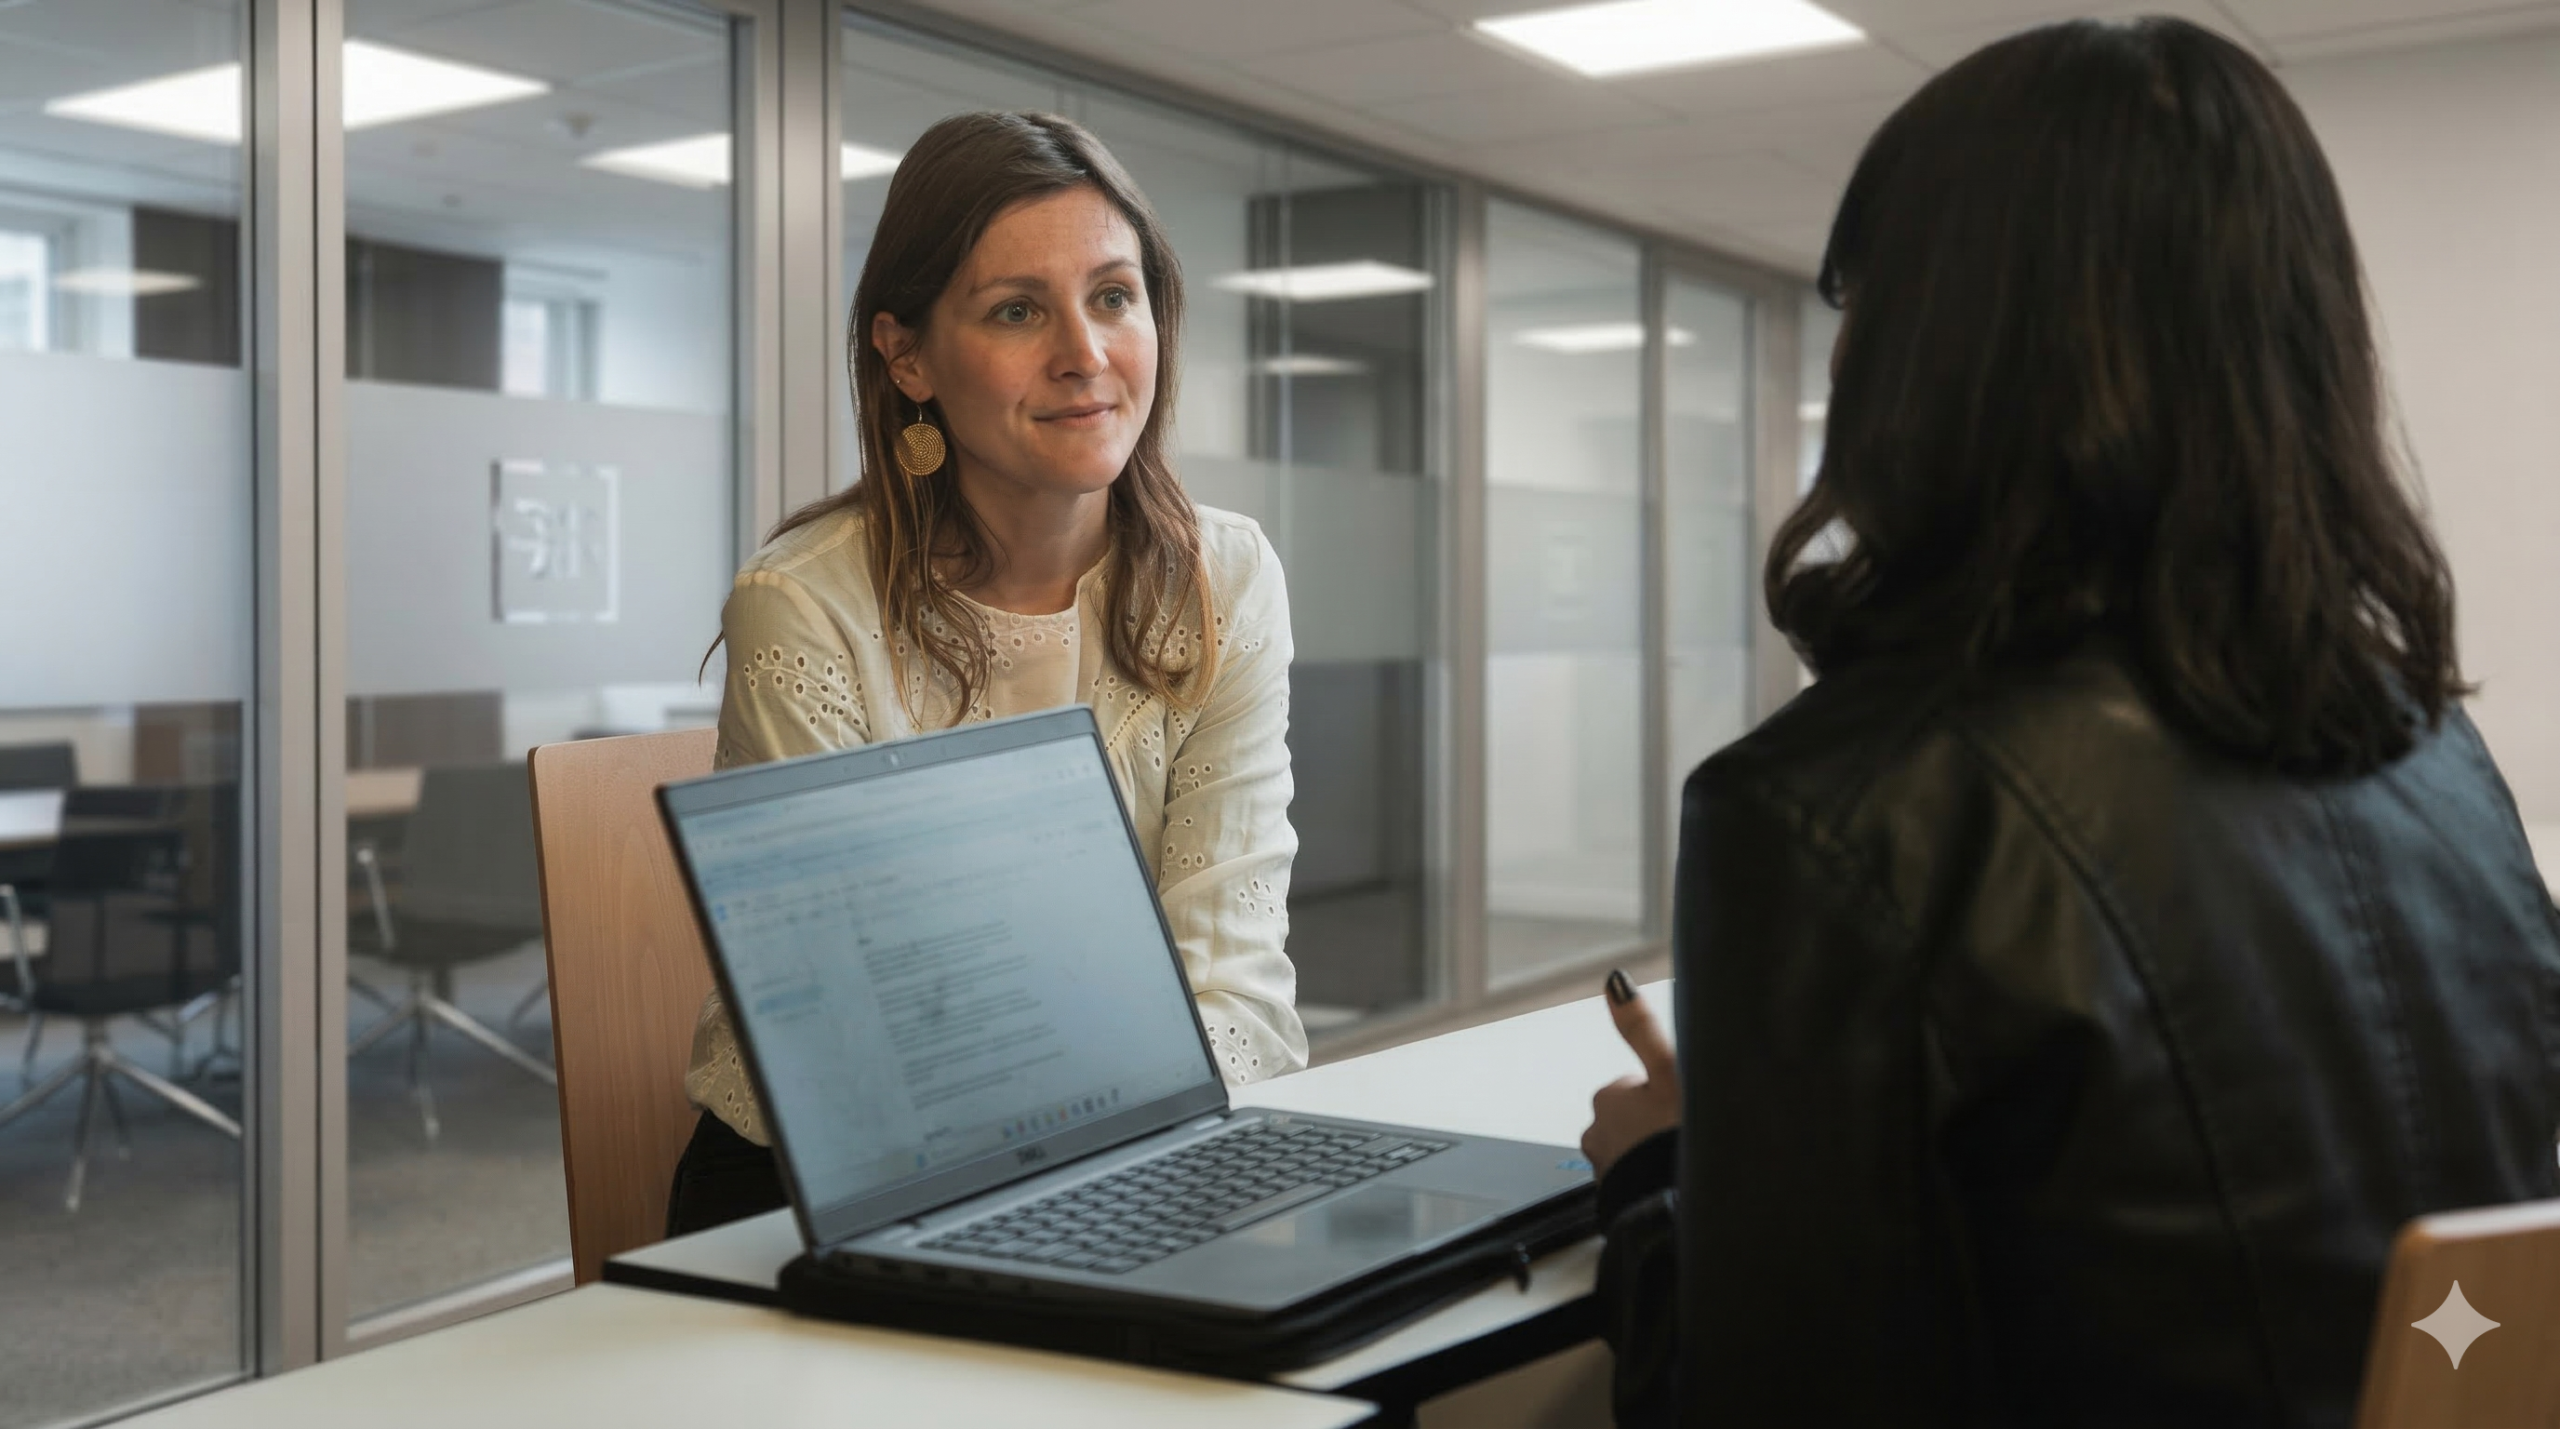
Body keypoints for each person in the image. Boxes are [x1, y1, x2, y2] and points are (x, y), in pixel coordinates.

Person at [1579, 18, 2560, 1427]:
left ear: (1929, 351)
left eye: (1862, 304)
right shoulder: (2431, 751)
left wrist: (1658, 1183)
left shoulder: (1829, 815)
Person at [666, 111, 1306, 1236]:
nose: (1085, 353)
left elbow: (1233, 962)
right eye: (1017, 310)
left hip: (1145, 1143)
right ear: (904, 354)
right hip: (827, 1190)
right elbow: (871, 1047)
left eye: (1113, 296)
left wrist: (1159, 1167)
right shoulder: (808, 606)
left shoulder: (1226, 577)